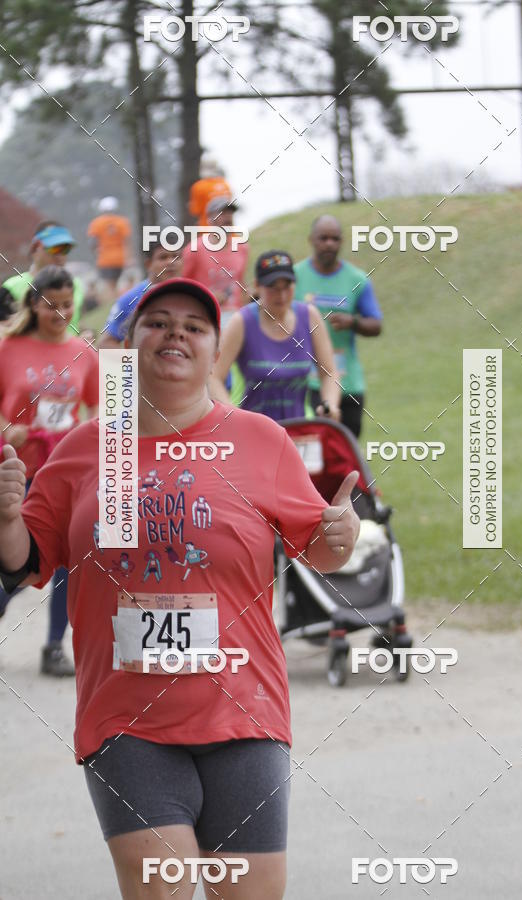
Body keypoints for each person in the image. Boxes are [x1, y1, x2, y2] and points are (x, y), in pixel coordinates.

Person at [0, 275, 360, 899]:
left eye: (194, 327)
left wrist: (342, 530)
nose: (176, 335)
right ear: (129, 342)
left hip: (244, 711)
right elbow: (25, 562)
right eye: (157, 322)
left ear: (212, 351)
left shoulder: (258, 440)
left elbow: (322, 553)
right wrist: (6, 518)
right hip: (127, 719)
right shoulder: (91, 450)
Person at [0, 266, 98, 675]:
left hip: (64, 471)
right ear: (34, 303)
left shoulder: (84, 352)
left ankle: (55, 646)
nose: (60, 313)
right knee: (13, 558)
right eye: (51, 304)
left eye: (67, 304)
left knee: (65, 561)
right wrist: (8, 430)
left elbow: (98, 410)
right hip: (17, 467)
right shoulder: (9, 349)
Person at [210, 250, 341, 422]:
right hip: (254, 430)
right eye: (273, 288)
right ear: (257, 286)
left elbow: (330, 372)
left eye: (287, 286)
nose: (282, 295)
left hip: (300, 427)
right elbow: (213, 377)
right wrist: (232, 417)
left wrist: (330, 404)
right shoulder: (242, 322)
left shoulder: (309, 317)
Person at [294, 214, 383, 438]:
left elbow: (376, 325)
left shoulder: (357, 280)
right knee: (311, 453)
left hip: (348, 381)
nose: (329, 244)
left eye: (335, 239)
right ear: (311, 240)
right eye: (323, 238)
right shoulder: (294, 277)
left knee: (346, 450)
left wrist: (352, 322)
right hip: (307, 381)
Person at [0, 221, 85, 335]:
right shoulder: (12, 287)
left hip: (73, 352)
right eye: (55, 248)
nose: (60, 255)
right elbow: (4, 334)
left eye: (65, 249)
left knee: (111, 352)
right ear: (35, 248)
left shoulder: (75, 285)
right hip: (30, 352)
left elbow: (76, 325)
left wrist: (88, 333)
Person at [182, 196, 250, 331]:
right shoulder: (194, 249)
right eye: (222, 213)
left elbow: (241, 285)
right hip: (205, 318)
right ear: (210, 218)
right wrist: (208, 296)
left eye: (230, 213)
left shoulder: (242, 248)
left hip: (235, 317)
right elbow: (183, 287)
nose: (228, 217)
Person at [98, 244, 183, 349]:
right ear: (148, 264)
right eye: (163, 257)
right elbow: (106, 344)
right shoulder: (131, 299)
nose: (171, 262)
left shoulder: (193, 294)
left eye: (176, 257)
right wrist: (132, 365)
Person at [87, 197, 131, 304]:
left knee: (110, 284)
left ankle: (114, 304)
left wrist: (95, 253)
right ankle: (116, 302)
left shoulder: (96, 223)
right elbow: (127, 242)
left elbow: (93, 242)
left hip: (104, 258)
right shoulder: (122, 222)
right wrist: (129, 257)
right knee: (114, 283)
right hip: (119, 258)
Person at [188, 156, 232, 226]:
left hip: (208, 230)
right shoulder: (225, 185)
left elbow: (195, 211)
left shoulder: (198, 187)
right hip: (229, 230)